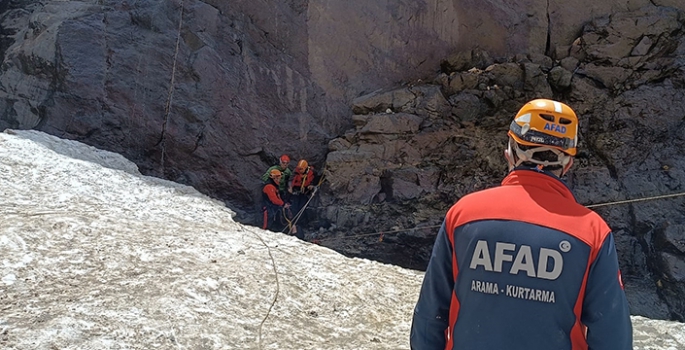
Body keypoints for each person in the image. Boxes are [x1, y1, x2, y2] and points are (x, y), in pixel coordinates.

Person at [410, 99, 632, 350]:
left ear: (510, 152)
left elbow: (430, 315)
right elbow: (613, 336)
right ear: (568, 163)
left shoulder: (463, 214)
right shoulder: (592, 231)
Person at [287, 159, 317, 239]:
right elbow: (290, 179)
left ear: (305, 168)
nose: (299, 170)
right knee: (294, 208)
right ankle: (295, 224)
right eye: (299, 169)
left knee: (302, 207)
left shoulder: (312, 172)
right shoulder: (295, 172)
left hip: (305, 192)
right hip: (296, 191)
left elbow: (316, 180)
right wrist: (290, 187)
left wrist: (312, 186)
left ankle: (301, 224)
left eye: (301, 169)